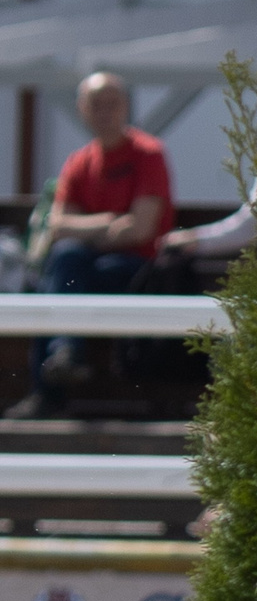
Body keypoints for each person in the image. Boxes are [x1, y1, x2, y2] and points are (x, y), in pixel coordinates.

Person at [18, 71, 172, 415]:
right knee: (60, 267)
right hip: (87, 269)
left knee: (61, 273)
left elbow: (141, 230)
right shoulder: (79, 161)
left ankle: (52, 383)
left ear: (125, 107)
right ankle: (64, 359)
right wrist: (107, 223)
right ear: (82, 110)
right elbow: (57, 225)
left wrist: (86, 231)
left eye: (112, 103)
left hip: (137, 270)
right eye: (96, 104)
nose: (105, 112)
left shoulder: (148, 154)